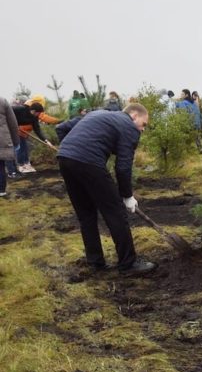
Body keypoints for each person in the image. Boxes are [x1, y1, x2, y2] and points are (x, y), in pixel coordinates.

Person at [56, 105, 156, 275]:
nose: (143, 129)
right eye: (143, 124)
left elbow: (61, 128)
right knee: (116, 213)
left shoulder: (98, 114)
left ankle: (96, 263)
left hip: (65, 159)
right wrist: (127, 196)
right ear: (133, 115)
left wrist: (71, 150)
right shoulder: (129, 127)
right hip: (88, 162)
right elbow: (123, 167)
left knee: (86, 214)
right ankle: (128, 265)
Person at [12, 100, 54, 173]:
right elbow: (6, 111)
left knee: (25, 147)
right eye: (38, 113)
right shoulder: (20, 109)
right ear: (33, 111)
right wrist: (12, 123)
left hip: (22, 131)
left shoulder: (34, 118)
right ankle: (21, 165)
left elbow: (37, 130)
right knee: (20, 147)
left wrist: (46, 141)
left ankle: (27, 164)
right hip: (12, 128)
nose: (39, 115)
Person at [0, 97, 20, 197]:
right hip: (2, 138)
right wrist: (16, 141)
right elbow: (13, 123)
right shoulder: (2, 101)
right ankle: (1, 190)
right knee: (0, 166)